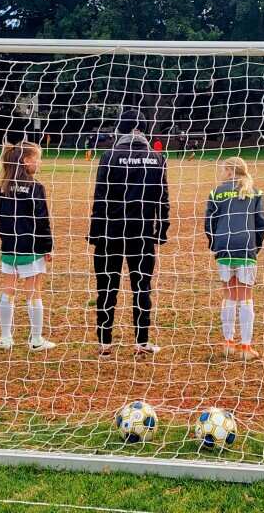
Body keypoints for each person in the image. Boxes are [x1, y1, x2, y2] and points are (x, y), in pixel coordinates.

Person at [89, 108, 170, 358]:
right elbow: (162, 199)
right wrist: (161, 231)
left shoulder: (109, 155)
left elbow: (100, 197)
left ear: (120, 129)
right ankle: (141, 343)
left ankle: (105, 344)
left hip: (111, 231)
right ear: (143, 130)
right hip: (142, 232)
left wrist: (95, 233)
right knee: (142, 287)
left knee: (106, 287)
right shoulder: (157, 158)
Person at [205, 157, 264, 361]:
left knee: (229, 294)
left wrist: (215, 244)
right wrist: (255, 246)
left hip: (224, 246)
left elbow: (209, 222)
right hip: (246, 246)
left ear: (229, 171)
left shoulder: (217, 192)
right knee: (246, 296)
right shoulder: (255, 192)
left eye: (224, 170)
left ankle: (228, 343)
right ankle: (245, 346)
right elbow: (262, 223)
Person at [0, 142, 57, 352]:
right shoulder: (35, 187)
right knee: (34, 291)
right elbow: (42, 220)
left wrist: (5, 241)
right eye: (37, 158)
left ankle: (5, 338)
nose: (39, 162)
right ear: (25, 161)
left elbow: (1, 220)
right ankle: (36, 339)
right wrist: (48, 246)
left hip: (9, 246)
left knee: (8, 289)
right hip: (31, 247)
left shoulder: (3, 188)